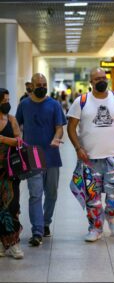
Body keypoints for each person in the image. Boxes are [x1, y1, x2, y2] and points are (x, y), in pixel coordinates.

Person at [67, 67, 114, 242]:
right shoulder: (81, 101)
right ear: (91, 82)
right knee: (93, 197)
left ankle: (111, 215)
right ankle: (95, 228)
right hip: (89, 159)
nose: (101, 81)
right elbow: (71, 127)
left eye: (103, 78)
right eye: (97, 79)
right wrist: (78, 148)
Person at [16, 73, 66, 246]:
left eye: (44, 84)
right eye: (39, 84)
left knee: (51, 193)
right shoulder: (24, 105)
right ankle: (37, 231)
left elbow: (60, 128)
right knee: (35, 194)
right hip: (33, 154)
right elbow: (17, 126)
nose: (42, 87)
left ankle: (46, 223)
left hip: (51, 154)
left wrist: (56, 138)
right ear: (32, 85)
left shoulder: (54, 105)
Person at [0, 88, 24, 259]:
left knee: (12, 206)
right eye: (3, 101)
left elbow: (19, 141)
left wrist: (2, 139)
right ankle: (2, 243)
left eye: (8, 100)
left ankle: (14, 243)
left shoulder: (12, 119)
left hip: (9, 170)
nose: (7, 103)